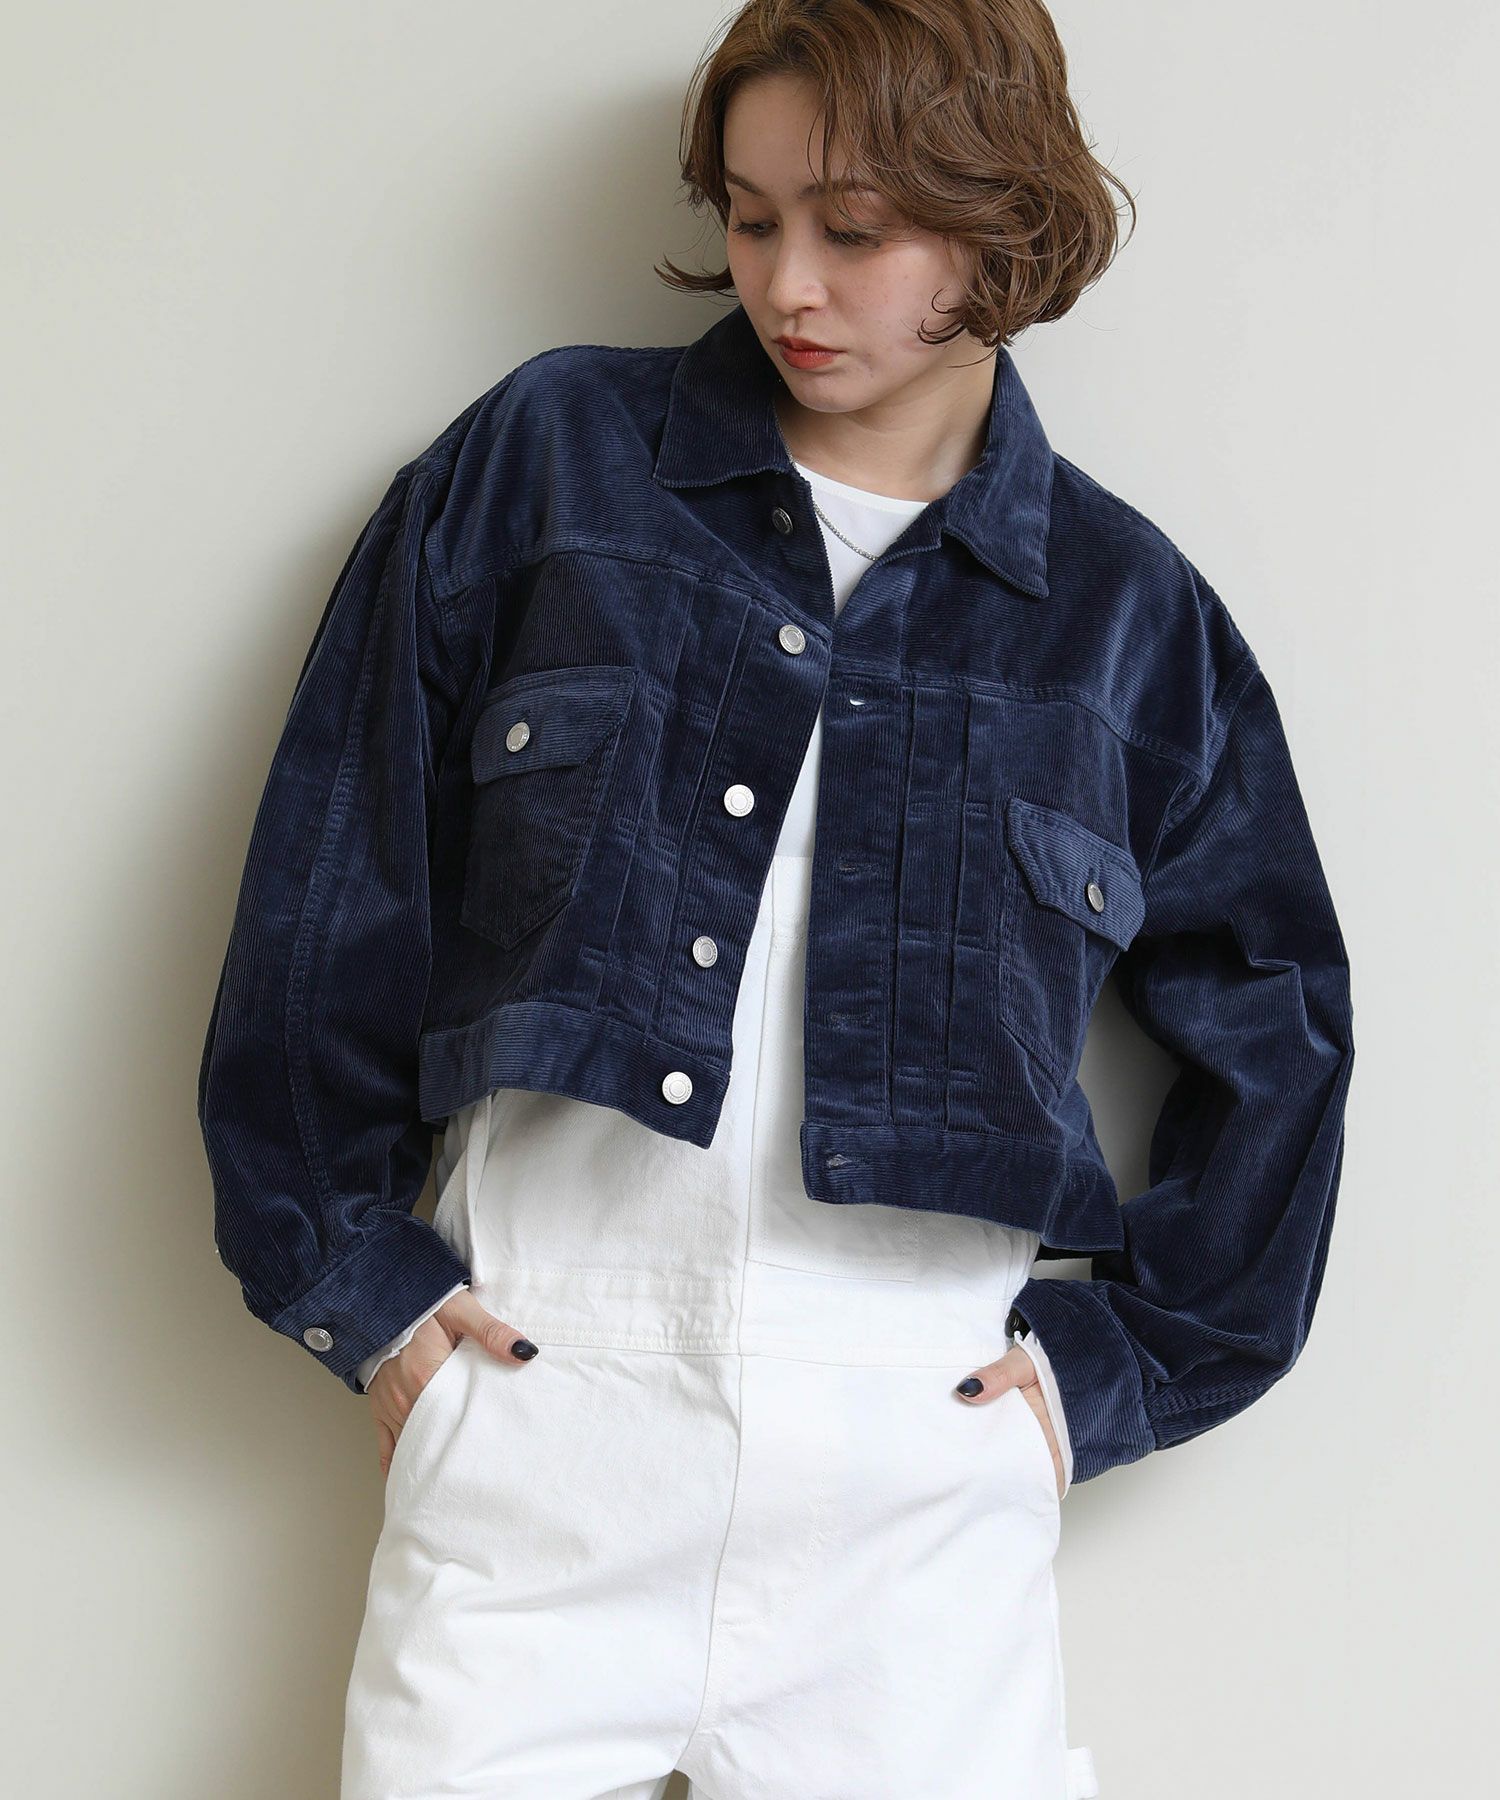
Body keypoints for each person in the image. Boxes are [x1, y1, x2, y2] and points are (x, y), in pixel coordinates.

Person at [196, 4, 1355, 1796]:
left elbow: (1280, 1026)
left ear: (1001, 224)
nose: (787, 286)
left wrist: (1123, 1370)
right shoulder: (545, 464)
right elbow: (330, 881)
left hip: (918, 1483)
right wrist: (356, 1275)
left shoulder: (1129, 619)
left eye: (854, 228)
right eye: (750, 219)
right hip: (543, 1428)